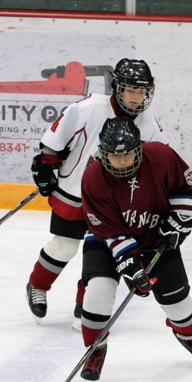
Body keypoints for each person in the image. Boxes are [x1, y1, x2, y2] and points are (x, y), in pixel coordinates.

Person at [26, 58, 169, 329]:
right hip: (75, 191)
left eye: (142, 91)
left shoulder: (148, 123)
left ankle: (84, 305)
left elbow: (161, 161)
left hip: (112, 203)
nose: (137, 98)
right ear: (117, 87)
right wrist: (46, 166)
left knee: (99, 253)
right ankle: (37, 285)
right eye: (131, 90)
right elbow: (55, 141)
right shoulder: (89, 108)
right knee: (65, 245)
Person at [77, 116, 192, 380]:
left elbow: (187, 187)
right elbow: (108, 229)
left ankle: (188, 335)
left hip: (156, 238)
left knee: (179, 303)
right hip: (106, 240)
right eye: (114, 156)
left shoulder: (161, 156)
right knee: (98, 291)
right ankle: (95, 348)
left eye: (127, 155)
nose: (121, 162)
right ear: (103, 153)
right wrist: (130, 264)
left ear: (138, 148)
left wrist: (180, 221)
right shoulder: (93, 176)